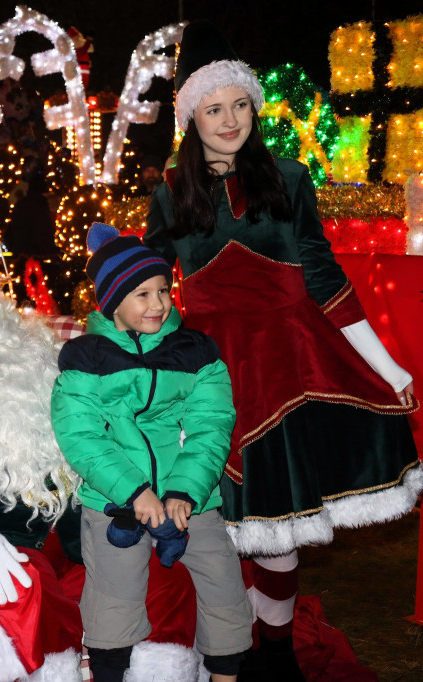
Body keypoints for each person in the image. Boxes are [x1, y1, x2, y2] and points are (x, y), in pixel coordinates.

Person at [143, 21, 421, 680]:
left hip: (291, 366)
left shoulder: (290, 179)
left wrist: (387, 366)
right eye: (215, 108)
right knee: (216, 530)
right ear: (192, 118)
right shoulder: (169, 194)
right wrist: (139, 369)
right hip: (211, 375)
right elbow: (146, 292)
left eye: (241, 104)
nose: (230, 120)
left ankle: (274, 654)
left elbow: (323, 278)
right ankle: (230, 649)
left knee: (279, 529)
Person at [0, 247, 205, 682]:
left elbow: (108, 424)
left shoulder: (44, 363)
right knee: (22, 588)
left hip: (87, 528)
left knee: (164, 577)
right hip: (10, 542)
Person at [51, 223, 253, 682]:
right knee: (113, 591)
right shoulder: (85, 359)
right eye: (142, 294)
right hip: (116, 498)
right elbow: (81, 435)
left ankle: (225, 674)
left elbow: (211, 425)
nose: (158, 304)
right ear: (111, 301)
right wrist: (135, 491)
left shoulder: (196, 352)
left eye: (163, 290)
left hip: (190, 495)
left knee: (223, 582)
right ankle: (108, 672)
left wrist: (185, 490)